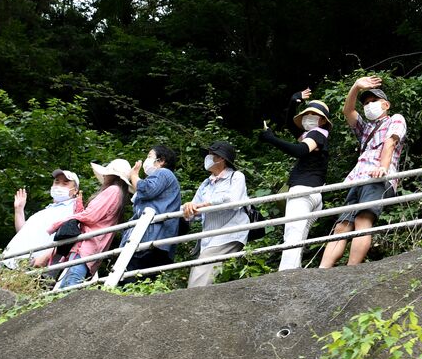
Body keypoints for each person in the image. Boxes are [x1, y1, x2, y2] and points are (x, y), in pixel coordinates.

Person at [321, 76, 406, 268]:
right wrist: (356, 87)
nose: (369, 106)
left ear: (386, 104)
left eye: (373, 101)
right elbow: (348, 111)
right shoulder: (366, 128)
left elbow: (390, 142)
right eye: (366, 103)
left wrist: (383, 167)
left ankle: (352, 270)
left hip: (379, 178)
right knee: (342, 226)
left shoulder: (395, 119)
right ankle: (322, 270)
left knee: (362, 220)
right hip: (358, 179)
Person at [260, 90, 332, 270]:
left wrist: (272, 139)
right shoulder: (312, 135)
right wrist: (293, 102)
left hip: (302, 192)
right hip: (315, 194)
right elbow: (291, 127)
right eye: (306, 113)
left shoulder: (317, 134)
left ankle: (286, 276)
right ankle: (295, 274)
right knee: (298, 238)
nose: (309, 117)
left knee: (292, 236)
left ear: (323, 120)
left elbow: (299, 150)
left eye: (314, 115)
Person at [46, 160, 130, 290]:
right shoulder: (120, 193)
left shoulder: (113, 190)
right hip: (93, 245)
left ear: (111, 175)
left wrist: (58, 224)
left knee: (71, 283)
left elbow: (91, 216)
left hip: (86, 245)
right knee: (69, 282)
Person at [182, 142, 249, 288]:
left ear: (221, 158)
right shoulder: (206, 184)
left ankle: (192, 306)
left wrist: (204, 205)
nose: (207, 158)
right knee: (200, 270)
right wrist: (188, 207)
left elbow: (234, 201)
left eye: (211, 155)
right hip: (209, 239)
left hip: (229, 233)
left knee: (201, 273)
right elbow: (192, 212)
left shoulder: (236, 177)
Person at [4, 169, 83, 269]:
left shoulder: (73, 210)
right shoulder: (45, 211)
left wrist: (44, 258)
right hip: (15, 264)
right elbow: (22, 233)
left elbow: (67, 237)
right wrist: (19, 209)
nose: (59, 186)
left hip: (36, 265)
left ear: (75, 190)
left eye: (65, 183)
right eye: (56, 182)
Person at [123, 144, 183, 274]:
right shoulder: (161, 178)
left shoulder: (164, 173)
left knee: (131, 278)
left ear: (161, 161)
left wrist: (134, 175)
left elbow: (147, 190)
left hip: (150, 238)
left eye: (149, 156)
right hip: (155, 240)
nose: (146, 160)